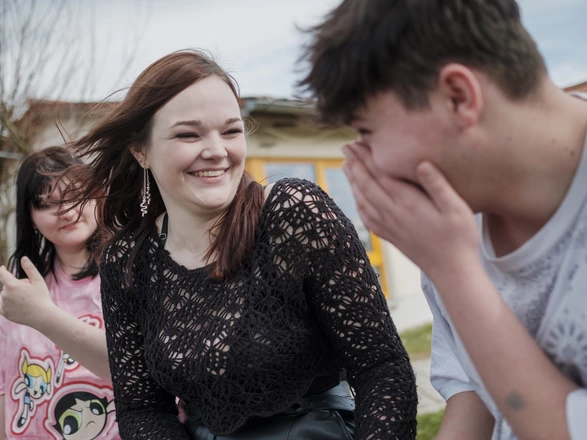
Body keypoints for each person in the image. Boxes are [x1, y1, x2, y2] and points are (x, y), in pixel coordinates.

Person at [64, 49, 418, 439]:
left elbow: (381, 366)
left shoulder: (294, 215)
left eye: (231, 131)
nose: (217, 151)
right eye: (188, 134)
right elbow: (142, 408)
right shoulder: (127, 261)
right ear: (141, 151)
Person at [298, 0, 587, 439]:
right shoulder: (454, 216)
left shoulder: (445, 245)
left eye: (367, 133)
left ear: (458, 96)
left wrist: (453, 269)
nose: (363, 162)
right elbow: (477, 394)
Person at [0, 146, 120, 439]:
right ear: (30, 217)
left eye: (76, 194)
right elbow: (5, 385)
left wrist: (43, 315)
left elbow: (138, 369)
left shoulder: (130, 271)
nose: (67, 211)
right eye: (47, 204)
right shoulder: (17, 288)